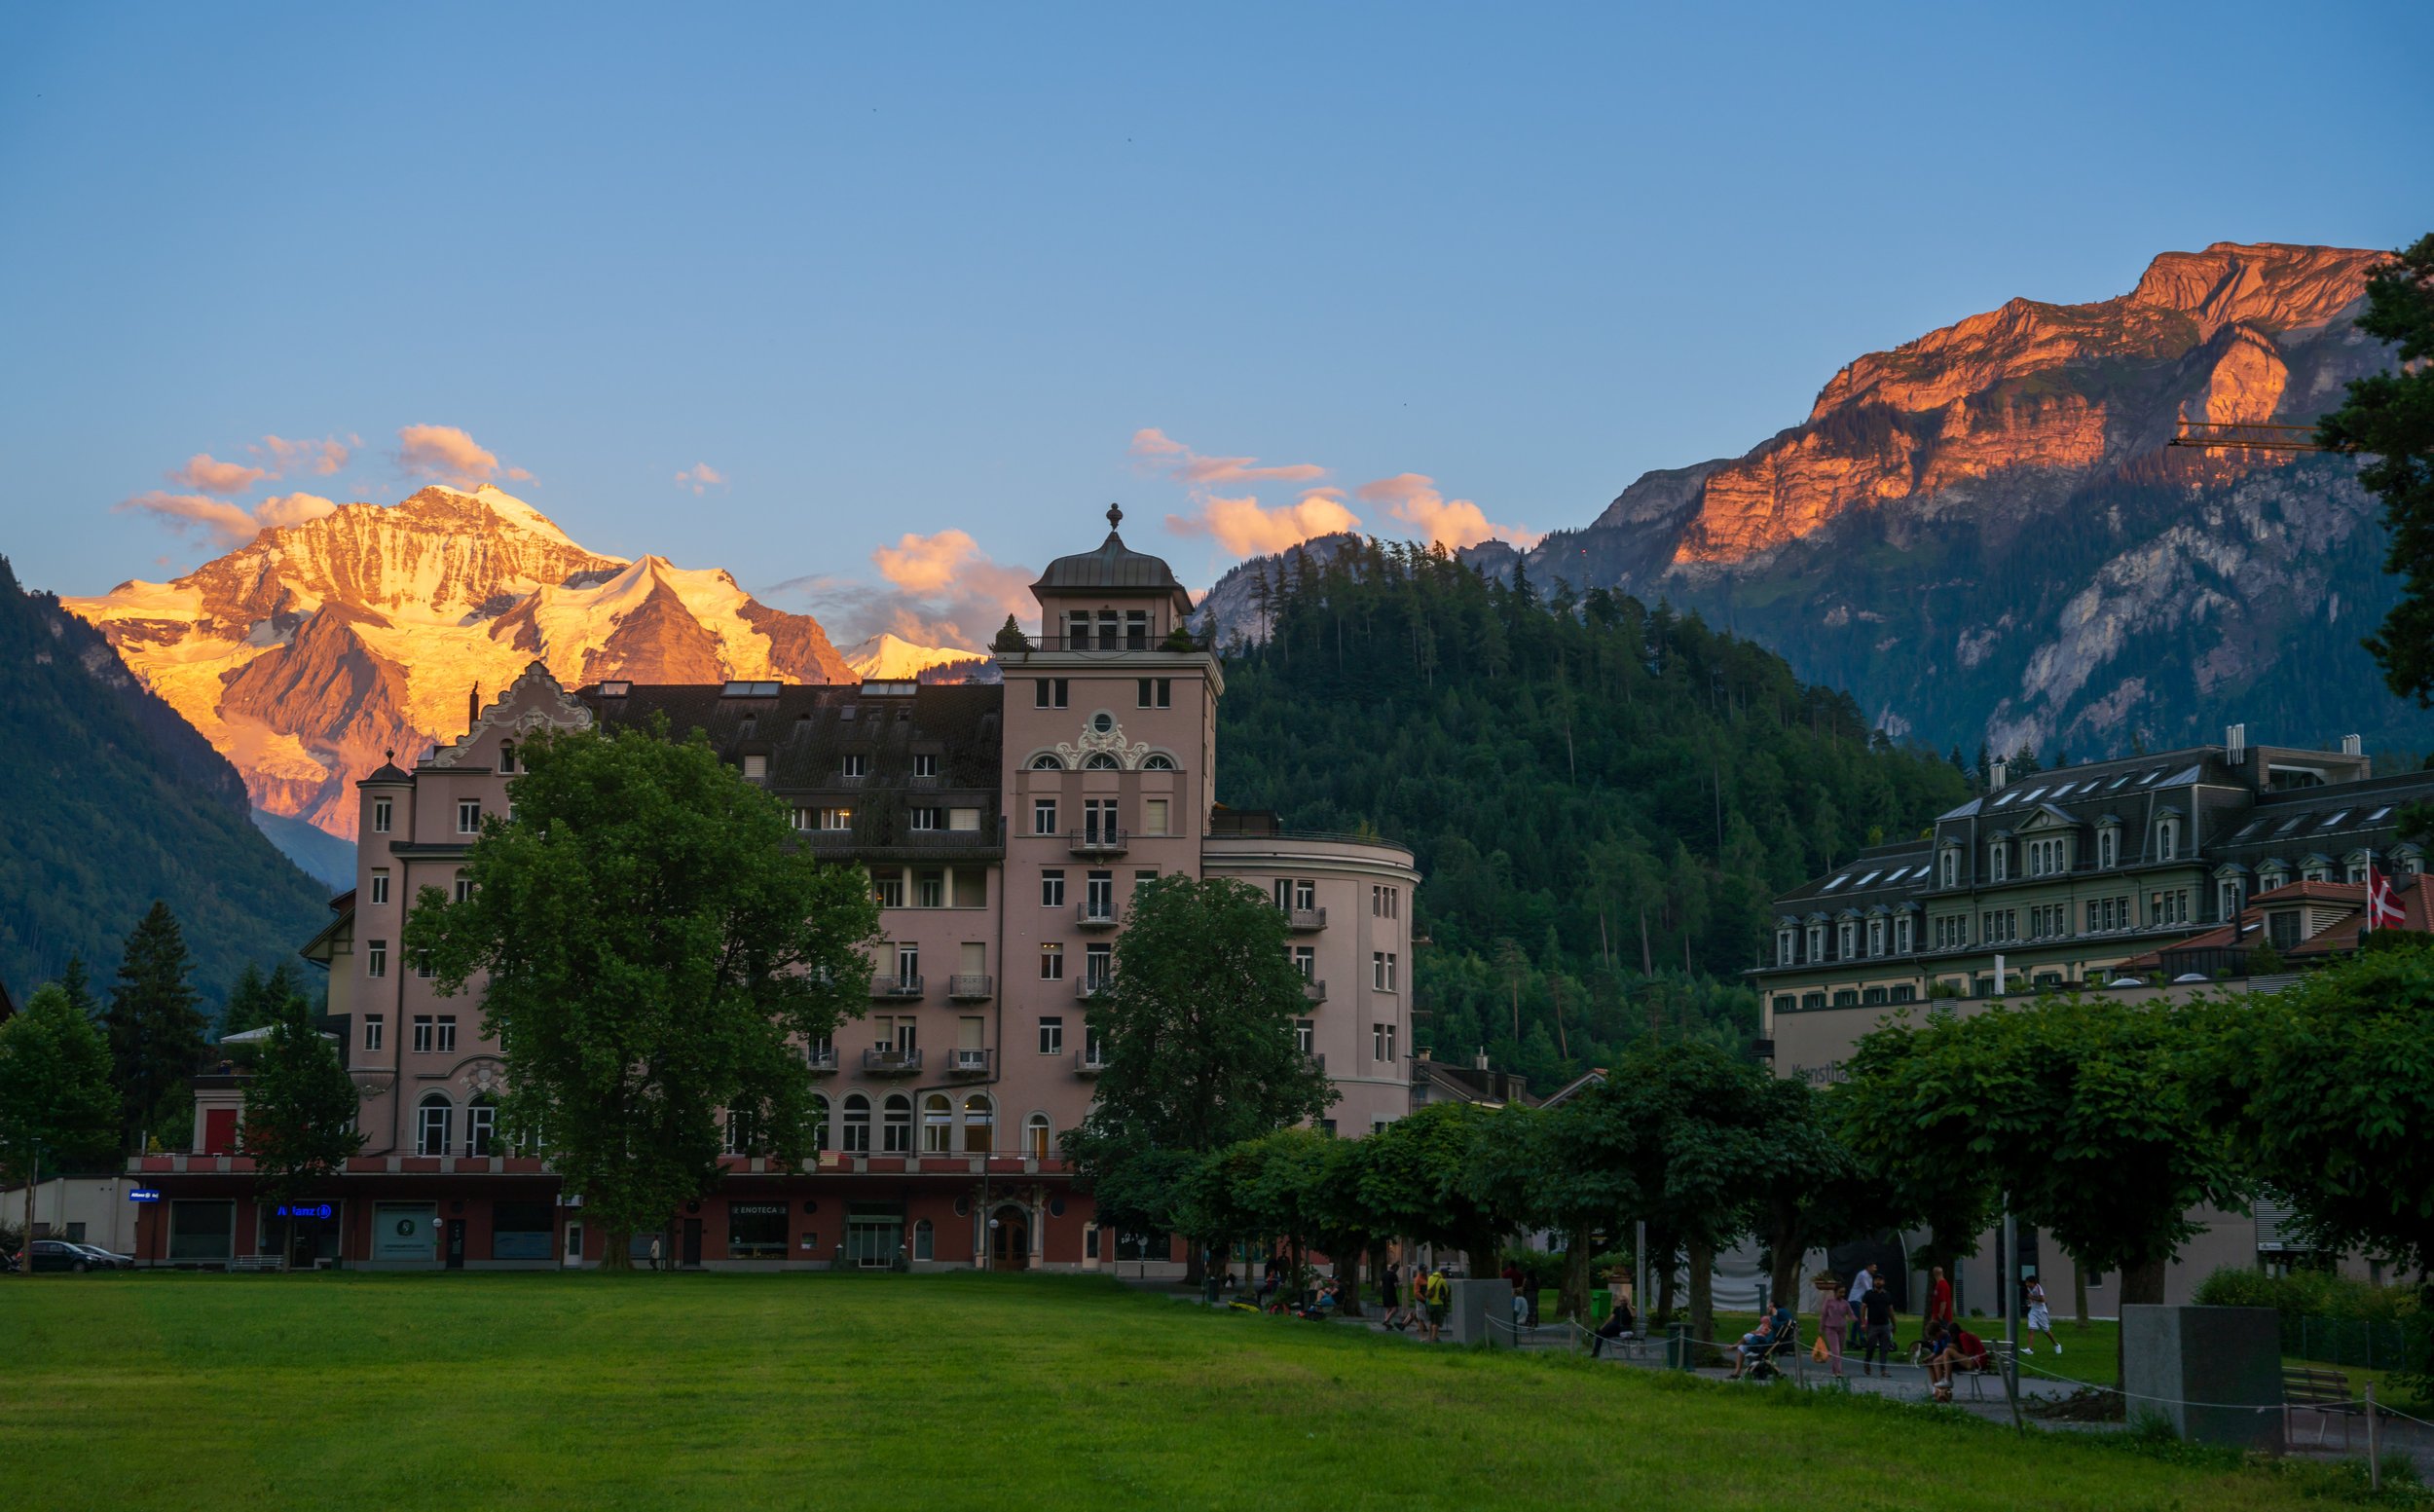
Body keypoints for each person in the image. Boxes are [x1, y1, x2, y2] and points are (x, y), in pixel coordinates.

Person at [1857, 1274, 1897, 1377]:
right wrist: (1863, 1322)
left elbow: (1890, 1310)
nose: (1878, 1282)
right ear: (1873, 1282)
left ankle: (1883, 1369)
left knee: (1884, 1348)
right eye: (1876, 1280)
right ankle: (1867, 1362)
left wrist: (1894, 1324)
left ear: (1884, 1282)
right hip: (1872, 1325)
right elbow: (1863, 1308)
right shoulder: (1869, 1294)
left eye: (1880, 1280)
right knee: (1871, 1346)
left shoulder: (1887, 1295)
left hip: (1885, 1325)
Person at [1818, 1280, 1852, 1379]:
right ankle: (1838, 1371)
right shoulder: (1829, 1302)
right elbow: (1824, 1315)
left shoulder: (1845, 1303)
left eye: (1844, 1292)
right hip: (1831, 1328)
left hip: (1842, 1328)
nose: (1842, 1294)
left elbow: (1850, 1313)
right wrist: (1821, 1328)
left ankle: (1834, 1370)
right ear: (1835, 1292)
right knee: (1835, 1351)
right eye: (1840, 1292)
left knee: (1839, 1351)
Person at [1590, 1292, 1639, 1359]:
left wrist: (1629, 1306)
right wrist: (1602, 1327)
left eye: (1624, 1301)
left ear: (1627, 1301)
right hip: (1615, 1329)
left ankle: (1594, 1333)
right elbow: (1609, 1319)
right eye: (1621, 1301)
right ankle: (1595, 1353)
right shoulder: (1617, 1309)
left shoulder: (1631, 1309)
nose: (1622, 1302)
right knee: (1600, 1334)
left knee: (1614, 1324)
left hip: (1624, 1329)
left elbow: (1633, 1316)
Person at [2023, 1272, 2060, 1355]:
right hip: (2033, 1311)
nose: (2026, 1284)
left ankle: (2056, 1345)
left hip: (2041, 1312)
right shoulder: (2029, 1288)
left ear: (2033, 1283)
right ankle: (2030, 1349)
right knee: (2031, 1329)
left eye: (2028, 1282)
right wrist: (2030, 1302)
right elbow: (2031, 1297)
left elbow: (2043, 1300)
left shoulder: (2038, 1288)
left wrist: (2032, 1298)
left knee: (2046, 1331)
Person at [1420, 1266, 1451, 1343]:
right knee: (1436, 1322)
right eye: (1446, 1274)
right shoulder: (1442, 1281)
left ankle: (1429, 1338)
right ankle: (1434, 1338)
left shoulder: (1430, 1278)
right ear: (1444, 1274)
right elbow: (1446, 1292)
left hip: (1429, 1303)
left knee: (1431, 1320)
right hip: (1438, 1303)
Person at [1925, 1265, 1954, 1345]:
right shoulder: (1944, 1284)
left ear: (1934, 1274)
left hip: (1943, 1318)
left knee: (1941, 1335)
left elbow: (1943, 1302)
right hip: (1942, 1317)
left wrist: (1940, 1315)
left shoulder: (1941, 1285)